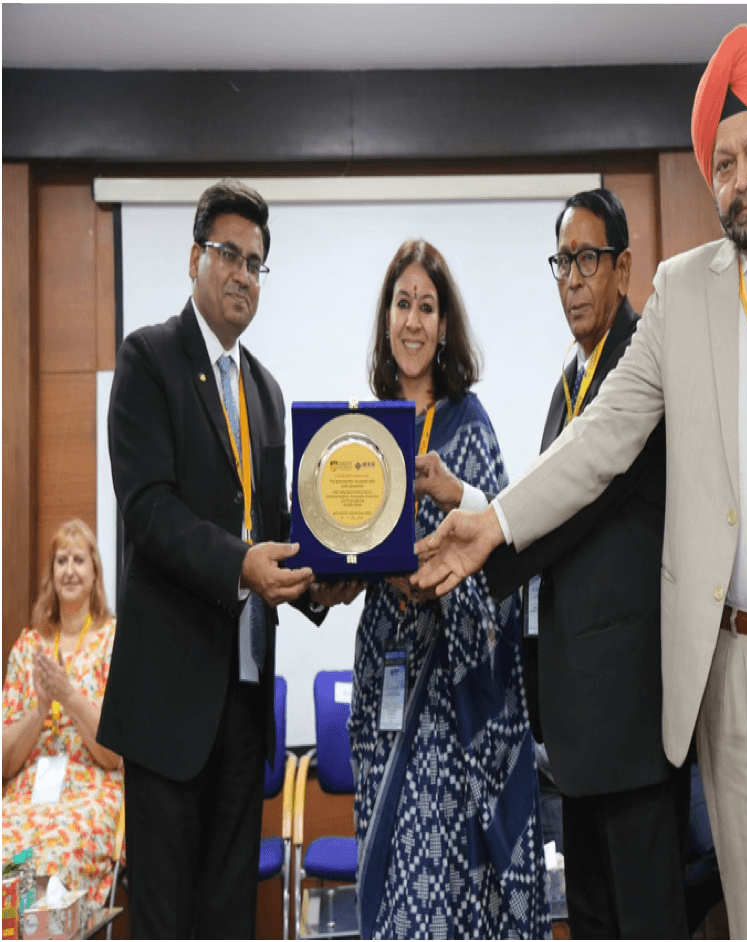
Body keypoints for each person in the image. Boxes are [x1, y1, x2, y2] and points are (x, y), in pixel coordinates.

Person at [415, 24, 747, 940]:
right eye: (720, 164)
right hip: (738, 668)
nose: (740, 179)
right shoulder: (683, 295)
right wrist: (495, 522)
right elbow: (601, 436)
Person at [98, 179, 325, 938]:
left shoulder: (265, 389)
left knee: (230, 917)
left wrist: (331, 577)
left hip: (243, 704)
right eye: (229, 254)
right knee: (165, 919)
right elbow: (150, 512)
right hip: (168, 706)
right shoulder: (148, 358)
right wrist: (242, 566)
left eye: (257, 263)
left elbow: (274, 526)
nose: (243, 274)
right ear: (195, 256)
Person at [482, 188, 687, 939]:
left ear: (624, 266)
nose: (571, 277)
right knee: (596, 921)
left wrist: (471, 551)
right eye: (561, 261)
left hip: (629, 715)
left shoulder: (639, 368)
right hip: (575, 726)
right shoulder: (568, 383)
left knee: (645, 920)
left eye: (588, 259)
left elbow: (572, 513)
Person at [344, 238, 550, 939]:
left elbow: (507, 545)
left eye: (426, 307)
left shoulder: (470, 422)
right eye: (402, 303)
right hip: (384, 681)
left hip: (453, 695)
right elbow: (344, 544)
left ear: (444, 324)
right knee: (388, 871)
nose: (412, 320)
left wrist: (455, 494)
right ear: (386, 318)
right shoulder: (363, 432)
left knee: (437, 893)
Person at [2, 519, 122, 912]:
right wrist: (39, 710)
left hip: (89, 793)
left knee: (52, 862)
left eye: (78, 560)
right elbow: (5, 763)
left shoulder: (111, 641)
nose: (69, 569)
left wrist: (69, 696)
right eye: (60, 560)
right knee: (7, 858)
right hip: (26, 795)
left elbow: (114, 755)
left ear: (95, 572)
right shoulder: (29, 646)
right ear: (51, 575)